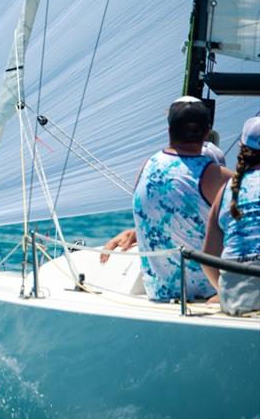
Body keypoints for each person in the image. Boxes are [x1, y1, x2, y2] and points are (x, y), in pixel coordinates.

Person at [101, 96, 232, 301]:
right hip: (208, 295)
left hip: (159, 293)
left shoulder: (146, 166)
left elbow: (174, 213)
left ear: (169, 130)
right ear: (207, 133)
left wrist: (137, 232)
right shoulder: (218, 176)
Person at [202, 116, 260, 315]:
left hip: (235, 299)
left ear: (240, 148)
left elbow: (208, 256)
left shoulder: (227, 190)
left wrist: (223, 291)